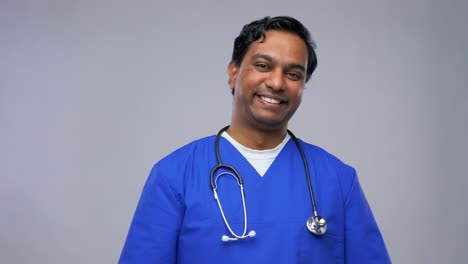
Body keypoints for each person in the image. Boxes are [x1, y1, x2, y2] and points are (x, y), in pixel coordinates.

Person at [119, 16, 391, 263]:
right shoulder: (174, 176)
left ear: (302, 86)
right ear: (234, 73)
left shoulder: (338, 181)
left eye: (293, 74)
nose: (277, 82)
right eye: (263, 65)